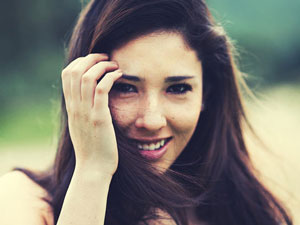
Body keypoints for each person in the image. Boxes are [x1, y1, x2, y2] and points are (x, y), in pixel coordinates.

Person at [0, 0, 293, 224]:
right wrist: (93, 172)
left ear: (208, 94)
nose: (152, 120)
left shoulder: (248, 211)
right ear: (81, 88)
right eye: (126, 87)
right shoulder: (24, 202)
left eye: (178, 89)